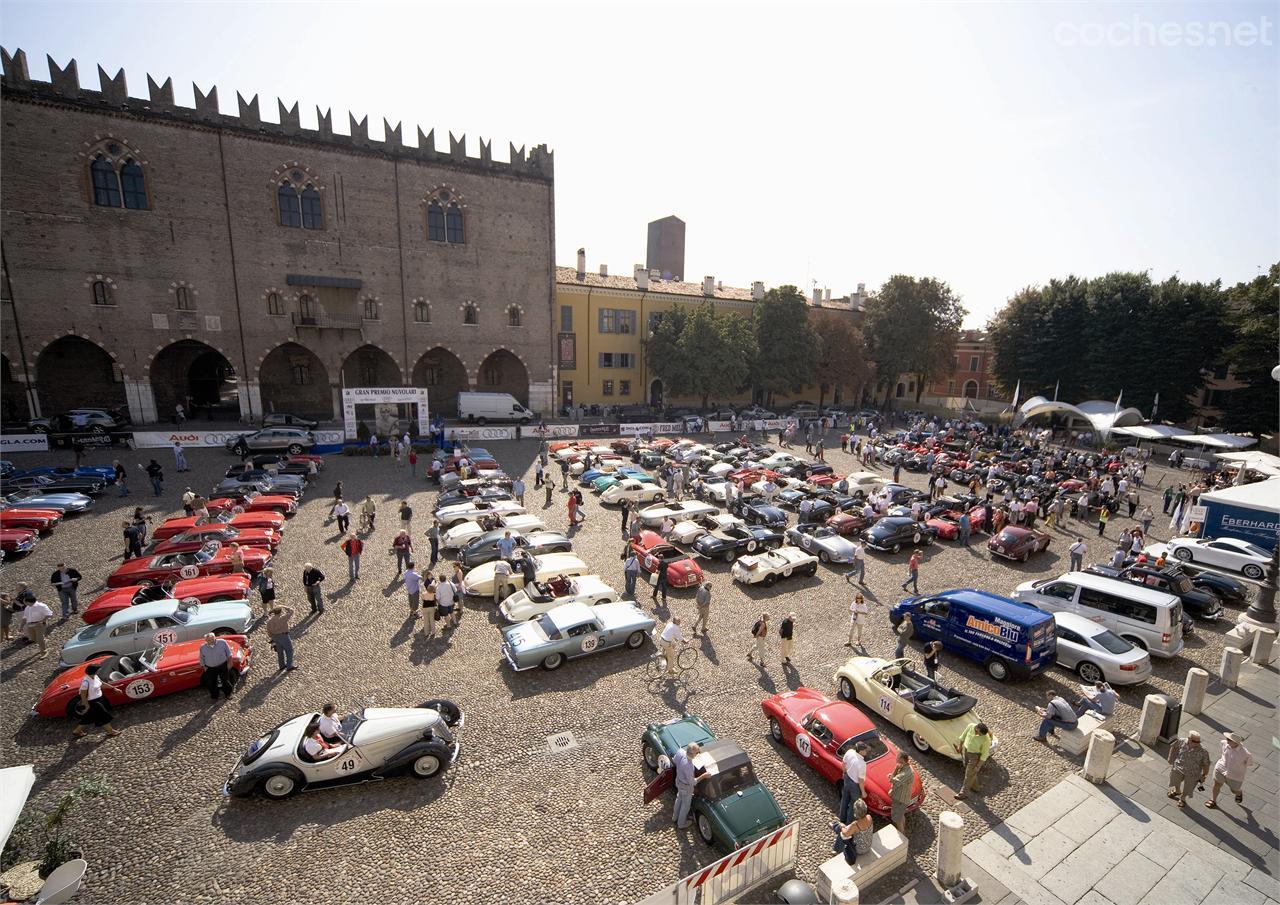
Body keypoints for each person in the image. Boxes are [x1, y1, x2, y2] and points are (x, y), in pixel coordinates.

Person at [72, 662, 122, 739]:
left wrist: (114, 688)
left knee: (89, 717)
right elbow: (83, 695)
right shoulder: (86, 683)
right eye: (98, 670)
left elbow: (102, 684)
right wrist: (87, 705)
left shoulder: (95, 677)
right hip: (93, 702)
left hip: (99, 699)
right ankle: (110, 731)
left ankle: (77, 731)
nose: (100, 670)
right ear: (94, 671)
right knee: (103, 716)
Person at [1206, 732, 1252, 810]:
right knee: (1217, 784)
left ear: (1236, 742)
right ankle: (1213, 800)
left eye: (1229, 740)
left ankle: (1239, 793)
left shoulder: (1245, 754)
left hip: (1235, 775)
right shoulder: (1224, 744)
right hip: (1221, 768)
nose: (1227, 741)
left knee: (1233, 790)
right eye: (1227, 739)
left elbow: (1249, 763)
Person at [1167, 731, 1211, 807]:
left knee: (1188, 787)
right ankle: (1177, 791)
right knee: (1175, 780)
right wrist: (1170, 757)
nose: (1197, 743)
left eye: (1199, 741)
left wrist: (1204, 775)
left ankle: (1183, 798)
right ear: (1189, 739)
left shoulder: (1203, 751)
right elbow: (1173, 746)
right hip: (1178, 767)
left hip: (1193, 772)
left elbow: (1206, 764)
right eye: (1194, 741)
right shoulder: (1181, 741)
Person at [671, 742, 708, 829]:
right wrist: (704, 776)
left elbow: (674, 761)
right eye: (697, 753)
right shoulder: (688, 765)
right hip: (686, 787)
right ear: (692, 754)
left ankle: (674, 817)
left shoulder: (680, 752)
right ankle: (681, 824)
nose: (697, 754)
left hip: (678, 781)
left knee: (679, 799)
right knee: (685, 806)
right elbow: (692, 782)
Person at [954, 723, 991, 800]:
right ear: (977, 729)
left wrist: (978, 766)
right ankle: (976, 787)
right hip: (966, 751)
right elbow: (963, 737)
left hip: (975, 756)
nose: (980, 735)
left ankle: (963, 794)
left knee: (968, 775)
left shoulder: (986, 739)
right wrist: (960, 747)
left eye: (981, 735)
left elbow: (984, 755)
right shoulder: (971, 726)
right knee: (971, 772)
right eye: (979, 733)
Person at [831, 799, 874, 866]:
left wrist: (842, 826)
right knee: (846, 828)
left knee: (842, 832)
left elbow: (845, 833)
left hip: (859, 850)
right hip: (868, 845)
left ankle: (836, 848)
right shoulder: (869, 817)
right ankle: (835, 825)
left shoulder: (855, 824)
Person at [199, 632, 235, 701]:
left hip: (222, 665)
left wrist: (230, 662)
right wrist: (204, 667)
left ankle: (228, 694)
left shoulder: (222, 642)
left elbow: (229, 653)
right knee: (212, 683)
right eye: (209, 640)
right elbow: (201, 658)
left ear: (215, 637)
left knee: (225, 680)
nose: (211, 641)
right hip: (210, 668)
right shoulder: (202, 647)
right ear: (206, 640)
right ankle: (215, 696)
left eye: (213, 639)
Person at [839, 740, 869, 821]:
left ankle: (842, 818)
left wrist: (844, 773)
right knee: (853, 805)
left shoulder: (850, 752)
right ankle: (848, 824)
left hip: (847, 778)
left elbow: (844, 763)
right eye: (865, 750)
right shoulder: (862, 763)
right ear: (860, 751)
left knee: (845, 798)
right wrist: (863, 792)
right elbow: (860, 779)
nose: (866, 751)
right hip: (855, 785)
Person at [265, 605, 296, 671]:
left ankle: (281, 665)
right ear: (280, 612)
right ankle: (289, 665)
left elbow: (269, 632)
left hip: (275, 637)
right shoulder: (282, 618)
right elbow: (291, 611)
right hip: (284, 636)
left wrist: (273, 638)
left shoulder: (269, 622)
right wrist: (284, 606)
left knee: (280, 652)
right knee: (289, 650)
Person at [889, 753, 914, 831]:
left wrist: (894, 771)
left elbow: (892, 780)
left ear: (905, 761)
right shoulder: (905, 767)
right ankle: (902, 831)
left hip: (900, 800)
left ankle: (902, 836)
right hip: (902, 798)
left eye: (900, 761)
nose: (898, 763)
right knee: (901, 815)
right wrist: (896, 770)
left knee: (897, 819)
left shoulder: (906, 773)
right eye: (897, 761)